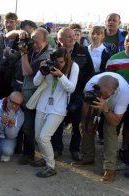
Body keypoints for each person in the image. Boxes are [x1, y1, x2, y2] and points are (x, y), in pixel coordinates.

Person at [32, 48, 79, 177]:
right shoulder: (48, 63)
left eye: (61, 62)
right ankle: (45, 158)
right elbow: (36, 82)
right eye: (56, 61)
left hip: (58, 108)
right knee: (37, 137)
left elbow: (71, 88)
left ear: (67, 60)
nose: (59, 64)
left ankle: (51, 166)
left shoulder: (73, 66)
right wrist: (42, 70)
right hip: (42, 105)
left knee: (44, 137)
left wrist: (60, 75)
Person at [74, 73, 129, 182]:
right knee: (85, 125)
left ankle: (110, 169)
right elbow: (85, 106)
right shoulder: (91, 84)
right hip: (95, 105)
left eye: (103, 94)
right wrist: (89, 121)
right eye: (99, 92)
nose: (100, 96)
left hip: (111, 108)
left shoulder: (125, 94)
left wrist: (106, 109)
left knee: (110, 131)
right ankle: (88, 157)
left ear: (113, 92)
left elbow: (116, 122)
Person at [51, 27, 95, 161]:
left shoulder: (83, 51)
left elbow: (90, 73)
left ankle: (74, 149)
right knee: (57, 123)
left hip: (77, 94)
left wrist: (85, 95)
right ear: (60, 39)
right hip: (58, 94)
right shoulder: (54, 52)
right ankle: (56, 148)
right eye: (69, 36)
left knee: (77, 124)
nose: (73, 38)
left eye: (74, 36)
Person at [18, 28, 52, 165]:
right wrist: (21, 35)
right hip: (29, 94)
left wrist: (23, 54)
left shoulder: (46, 56)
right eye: (32, 40)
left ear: (46, 41)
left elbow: (27, 71)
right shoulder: (34, 50)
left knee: (31, 126)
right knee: (29, 126)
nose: (33, 44)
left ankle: (29, 154)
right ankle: (29, 153)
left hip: (36, 96)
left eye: (36, 41)